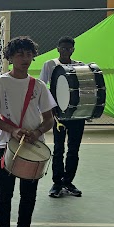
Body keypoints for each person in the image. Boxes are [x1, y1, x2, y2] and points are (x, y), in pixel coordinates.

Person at [0, 36, 56, 227]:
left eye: (28, 54)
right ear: (10, 58)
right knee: (4, 195)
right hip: (6, 147)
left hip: (33, 150)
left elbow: (49, 119)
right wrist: (12, 131)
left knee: (28, 196)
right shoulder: (0, 83)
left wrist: (38, 132)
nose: (25, 58)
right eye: (20, 54)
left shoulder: (38, 86)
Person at [39, 36, 85, 198]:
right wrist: (50, 109)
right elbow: (43, 86)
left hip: (76, 115)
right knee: (58, 149)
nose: (66, 51)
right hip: (58, 114)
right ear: (58, 49)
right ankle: (57, 183)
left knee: (74, 150)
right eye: (63, 48)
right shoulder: (50, 65)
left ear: (73, 50)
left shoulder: (79, 66)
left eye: (69, 48)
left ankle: (68, 181)